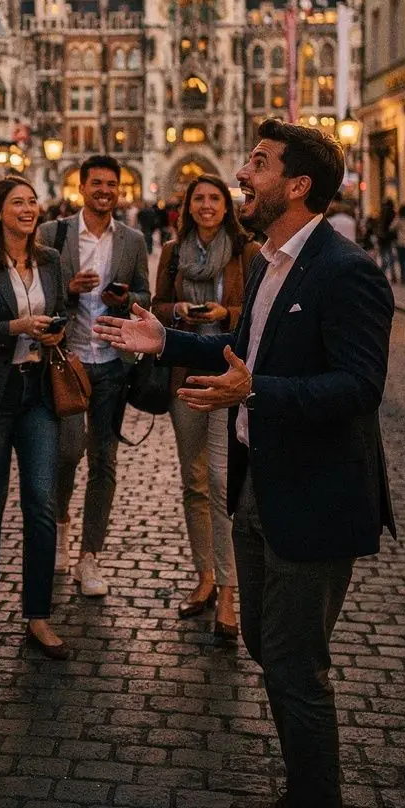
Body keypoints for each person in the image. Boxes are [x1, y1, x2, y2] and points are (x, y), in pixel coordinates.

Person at [94, 119, 395, 808]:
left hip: (318, 495)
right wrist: (171, 340)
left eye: (257, 165)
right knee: (265, 641)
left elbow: (359, 388)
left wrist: (254, 394)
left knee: (296, 668)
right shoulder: (268, 264)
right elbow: (248, 354)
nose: (240, 175)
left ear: (298, 186)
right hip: (263, 485)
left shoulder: (347, 270)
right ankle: (312, 796)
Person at [0, 176, 69, 659]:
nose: (28, 209)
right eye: (18, 203)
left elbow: (63, 312)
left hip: (39, 392)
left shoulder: (49, 262)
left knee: (40, 504)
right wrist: (18, 327)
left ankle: (39, 615)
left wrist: (52, 335)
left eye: (32, 202)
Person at [153, 175, 260, 641]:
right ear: (188, 205)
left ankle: (229, 594)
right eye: (199, 197)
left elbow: (257, 315)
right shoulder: (174, 252)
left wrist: (224, 316)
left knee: (220, 482)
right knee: (193, 481)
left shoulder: (246, 252)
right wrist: (177, 311)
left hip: (227, 378)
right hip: (184, 379)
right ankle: (205, 578)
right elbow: (155, 306)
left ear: (227, 205)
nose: (207, 205)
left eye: (215, 197)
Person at [38, 156, 150, 596]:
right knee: (67, 453)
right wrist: (67, 290)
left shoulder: (133, 240)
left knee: (104, 461)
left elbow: (144, 293)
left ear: (118, 191)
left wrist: (123, 298)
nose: (105, 190)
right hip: (69, 361)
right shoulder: (55, 234)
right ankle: (61, 524)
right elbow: (38, 291)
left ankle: (90, 557)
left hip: (111, 364)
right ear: (82, 187)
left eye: (112, 185)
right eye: (97, 183)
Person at [376, 198, 398, 282]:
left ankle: (381, 275)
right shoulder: (392, 213)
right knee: (390, 257)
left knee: (384, 257)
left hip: (382, 239)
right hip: (389, 238)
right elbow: (393, 227)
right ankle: (392, 275)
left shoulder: (382, 213)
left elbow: (379, 226)